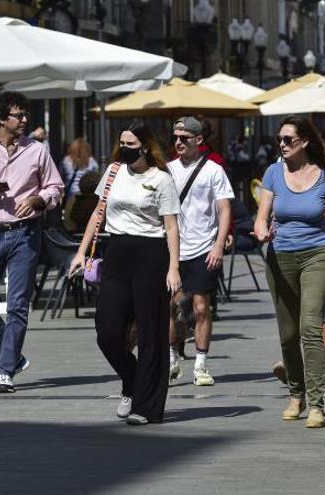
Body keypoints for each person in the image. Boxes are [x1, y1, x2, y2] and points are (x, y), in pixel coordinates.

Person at [69, 121, 181, 426]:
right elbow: (97, 213)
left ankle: (147, 406)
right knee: (107, 331)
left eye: (131, 144)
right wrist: (81, 252)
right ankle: (131, 381)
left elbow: (171, 226)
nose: (124, 149)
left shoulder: (161, 180)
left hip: (151, 255)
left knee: (150, 334)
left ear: (145, 146)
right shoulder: (114, 172)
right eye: (122, 143)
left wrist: (173, 267)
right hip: (116, 253)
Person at [254, 116, 325, 429]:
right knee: (288, 334)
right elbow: (262, 217)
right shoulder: (273, 173)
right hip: (279, 257)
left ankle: (317, 403)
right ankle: (295, 394)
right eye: (280, 140)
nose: (282, 145)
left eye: (288, 140)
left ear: (305, 142)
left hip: (318, 254)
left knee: (310, 327)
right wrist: (262, 233)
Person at [0, 92, 64, 393]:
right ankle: (12, 355)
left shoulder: (38, 151)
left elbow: (55, 186)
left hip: (25, 233)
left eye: (25, 115)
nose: (25, 120)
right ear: (2, 118)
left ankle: (5, 369)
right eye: (19, 115)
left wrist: (38, 199)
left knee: (18, 303)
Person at [165, 116, 234, 387]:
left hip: (203, 247)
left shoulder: (213, 170)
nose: (179, 142)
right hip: (173, 249)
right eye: (176, 137)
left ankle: (201, 365)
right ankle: (172, 360)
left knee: (201, 307)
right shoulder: (167, 170)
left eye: (185, 137)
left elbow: (224, 208)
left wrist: (219, 243)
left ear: (198, 140)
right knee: (172, 306)